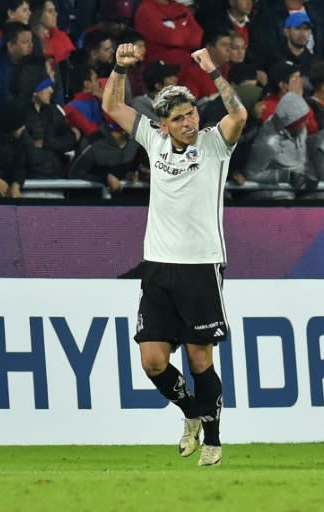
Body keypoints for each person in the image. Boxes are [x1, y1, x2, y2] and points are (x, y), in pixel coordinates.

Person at [102, 42, 247, 466]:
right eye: (178, 118)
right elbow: (113, 106)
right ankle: (191, 413)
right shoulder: (153, 141)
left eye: (191, 114)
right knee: (152, 362)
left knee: (200, 357)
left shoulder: (215, 145)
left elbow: (238, 114)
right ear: (162, 125)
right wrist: (119, 68)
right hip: (159, 268)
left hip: (201, 265)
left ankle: (215, 440)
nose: (188, 122)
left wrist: (214, 72)